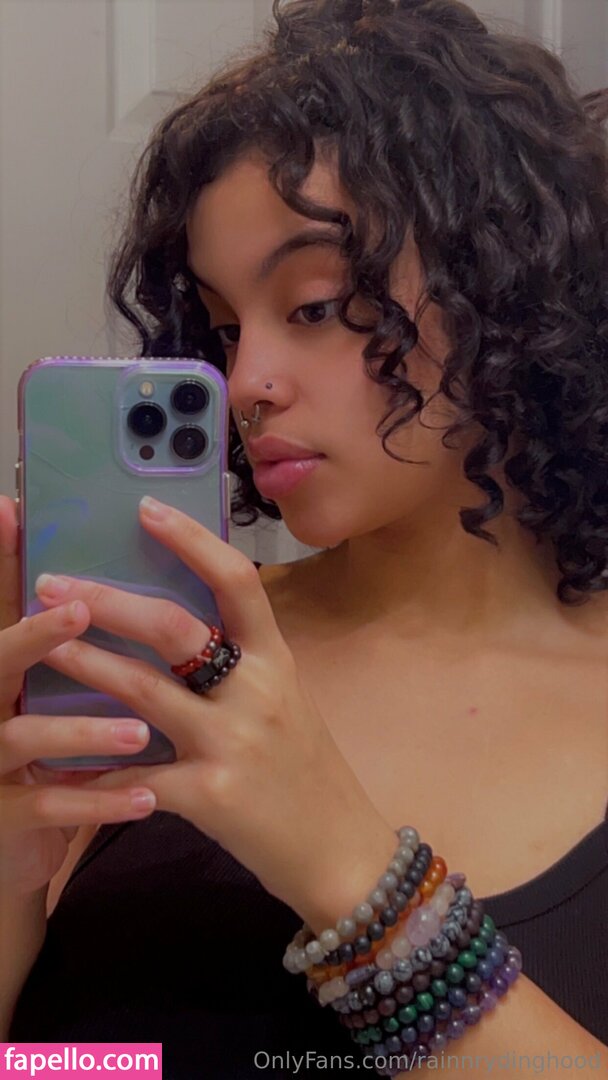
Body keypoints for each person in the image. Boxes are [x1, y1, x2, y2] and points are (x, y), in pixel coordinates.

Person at [1, 0, 607, 1076]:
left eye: (317, 304)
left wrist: (348, 872)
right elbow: (55, 1066)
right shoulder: (159, 658)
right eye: (225, 326)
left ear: (507, 287)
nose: (245, 382)